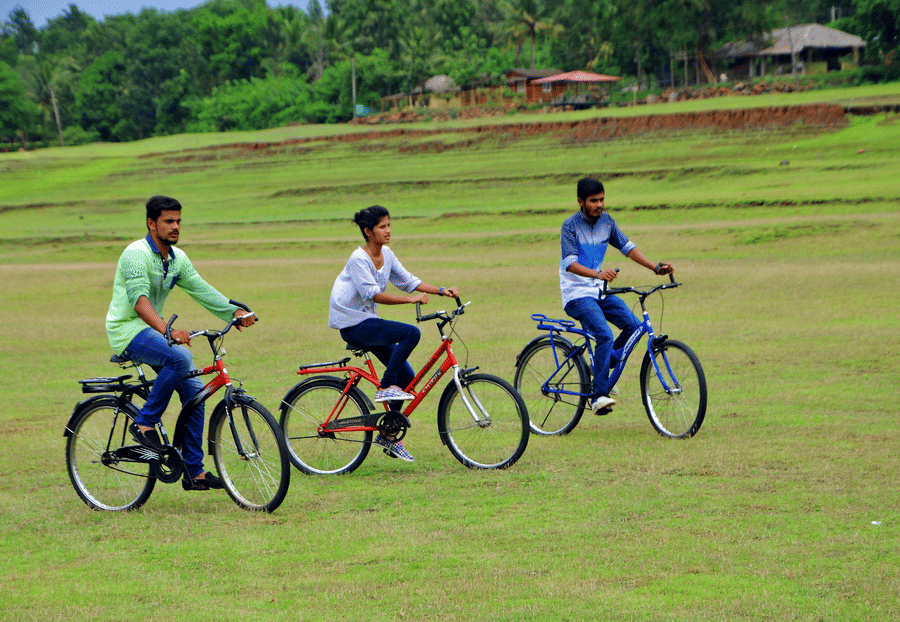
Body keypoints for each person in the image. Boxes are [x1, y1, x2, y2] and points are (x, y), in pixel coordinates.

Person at [106, 196, 257, 491]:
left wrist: (234, 312)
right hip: (127, 329)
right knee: (178, 358)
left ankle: (193, 471)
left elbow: (202, 290)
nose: (175, 227)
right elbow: (139, 302)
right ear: (151, 224)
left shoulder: (177, 258)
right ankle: (144, 423)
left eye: (178, 221)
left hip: (153, 330)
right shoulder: (135, 254)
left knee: (194, 393)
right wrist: (168, 331)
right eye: (168, 222)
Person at [328, 205, 459, 462]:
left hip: (368, 320)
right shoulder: (358, 259)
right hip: (353, 324)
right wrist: (410, 301)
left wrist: (442, 290)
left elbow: (409, 281)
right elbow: (372, 294)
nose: (388, 231)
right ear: (368, 231)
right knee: (411, 333)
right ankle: (386, 387)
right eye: (382, 227)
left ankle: (388, 436)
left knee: (407, 379)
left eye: (389, 225)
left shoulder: (386, 253)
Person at [559, 177, 673, 414]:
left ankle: (600, 364)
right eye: (593, 201)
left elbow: (627, 247)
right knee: (604, 334)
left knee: (633, 327)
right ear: (581, 201)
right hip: (576, 294)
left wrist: (654, 267)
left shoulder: (607, 222)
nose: (599, 205)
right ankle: (598, 395)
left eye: (601, 199)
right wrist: (598, 274)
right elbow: (570, 263)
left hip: (598, 290)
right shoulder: (570, 226)